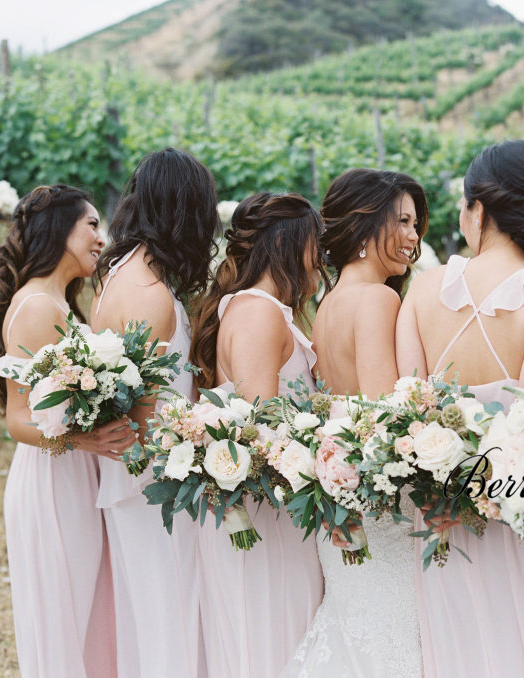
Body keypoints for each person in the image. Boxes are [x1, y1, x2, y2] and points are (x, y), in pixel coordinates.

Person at [396, 139, 524, 678]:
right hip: (514, 515)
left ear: (480, 209)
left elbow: (407, 411)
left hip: (436, 517)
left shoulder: (424, 291)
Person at [283, 168, 427, 678]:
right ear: (367, 226)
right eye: (404, 222)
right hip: (382, 503)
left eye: (417, 224)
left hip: (343, 495)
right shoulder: (380, 299)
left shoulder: (326, 306)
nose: (414, 236)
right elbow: (383, 412)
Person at [0, 184, 128, 678]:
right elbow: (18, 419)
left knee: (86, 616)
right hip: (52, 480)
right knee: (64, 620)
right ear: (61, 230)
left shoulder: (57, 302)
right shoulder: (39, 306)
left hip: (73, 474)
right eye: (91, 226)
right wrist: (83, 441)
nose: (100, 238)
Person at [91, 148, 220, 678]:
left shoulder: (118, 274)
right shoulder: (150, 296)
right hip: (156, 487)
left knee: (149, 620)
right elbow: (147, 423)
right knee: (170, 618)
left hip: (132, 483)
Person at [190, 193, 325, 677]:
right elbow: (259, 428)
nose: (320, 257)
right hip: (266, 511)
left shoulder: (257, 308)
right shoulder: (257, 312)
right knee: (273, 640)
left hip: (274, 505)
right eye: (315, 243)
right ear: (290, 243)